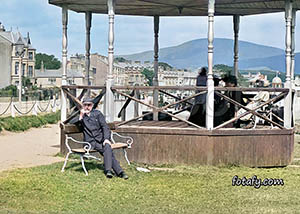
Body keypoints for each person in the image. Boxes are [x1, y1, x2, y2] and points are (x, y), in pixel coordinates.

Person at [78, 97, 128, 179]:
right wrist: (81, 116)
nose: (87, 107)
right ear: (82, 106)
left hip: (101, 140)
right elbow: (76, 124)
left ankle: (112, 171)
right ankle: (119, 172)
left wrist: (106, 139)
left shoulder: (97, 114)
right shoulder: (81, 116)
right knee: (108, 151)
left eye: (89, 105)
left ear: (92, 105)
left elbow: (105, 127)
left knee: (107, 147)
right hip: (90, 143)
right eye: (85, 105)